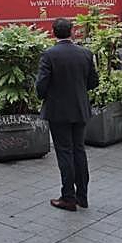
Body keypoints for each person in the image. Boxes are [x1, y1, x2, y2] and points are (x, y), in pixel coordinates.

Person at [35, 18, 98, 212]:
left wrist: (45, 96)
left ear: (53, 32)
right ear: (72, 31)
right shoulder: (85, 53)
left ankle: (68, 197)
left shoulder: (49, 54)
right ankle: (83, 196)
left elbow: (41, 85)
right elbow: (93, 82)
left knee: (64, 152)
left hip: (58, 111)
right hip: (80, 109)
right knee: (79, 150)